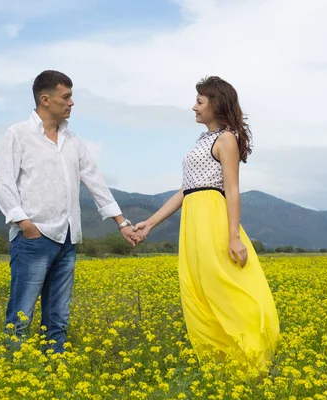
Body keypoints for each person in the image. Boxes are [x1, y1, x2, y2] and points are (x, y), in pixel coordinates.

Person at [133, 76, 280, 366]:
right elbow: (186, 190)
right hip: (193, 219)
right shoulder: (203, 140)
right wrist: (150, 223)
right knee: (199, 287)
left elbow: (232, 189)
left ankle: (249, 353)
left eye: (200, 102)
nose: (194, 107)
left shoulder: (226, 139)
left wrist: (234, 236)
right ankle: (219, 359)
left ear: (216, 104)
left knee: (223, 284)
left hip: (213, 217)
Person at [0, 70, 138, 353]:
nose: (72, 103)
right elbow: (2, 183)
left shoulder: (73, 141)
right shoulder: (18, 134)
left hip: (68, 238)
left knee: (58, 317)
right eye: (66, 97)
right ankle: (12, 369)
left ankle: (54, 370)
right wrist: (25, 223)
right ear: (45, 99)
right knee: (21, 316)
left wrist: (122, 223)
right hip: (34, 237)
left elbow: (95, 182)